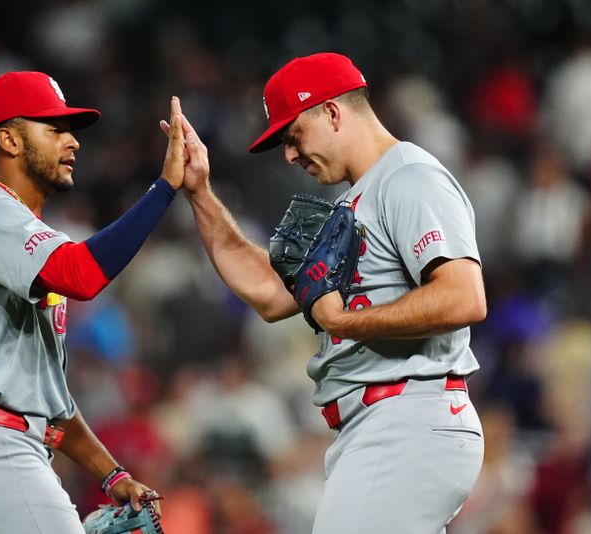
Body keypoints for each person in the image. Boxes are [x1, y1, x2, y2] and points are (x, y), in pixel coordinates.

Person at [168, 52, 486, 533]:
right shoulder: (352, 201)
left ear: (333, 112)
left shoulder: (408, 177)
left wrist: (343, 322)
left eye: (293, 136)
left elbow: (464, 298)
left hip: (407, 415)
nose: (290, 155)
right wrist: (200, 192)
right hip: (381, 424)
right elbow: (271, 293)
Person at [0, 71, 184, 532]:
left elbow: (52, 403)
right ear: (9, 140)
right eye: (53, 128)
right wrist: (163, 189)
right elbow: (81, 274)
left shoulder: (27, 237)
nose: (72, 141)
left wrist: (112, 475)